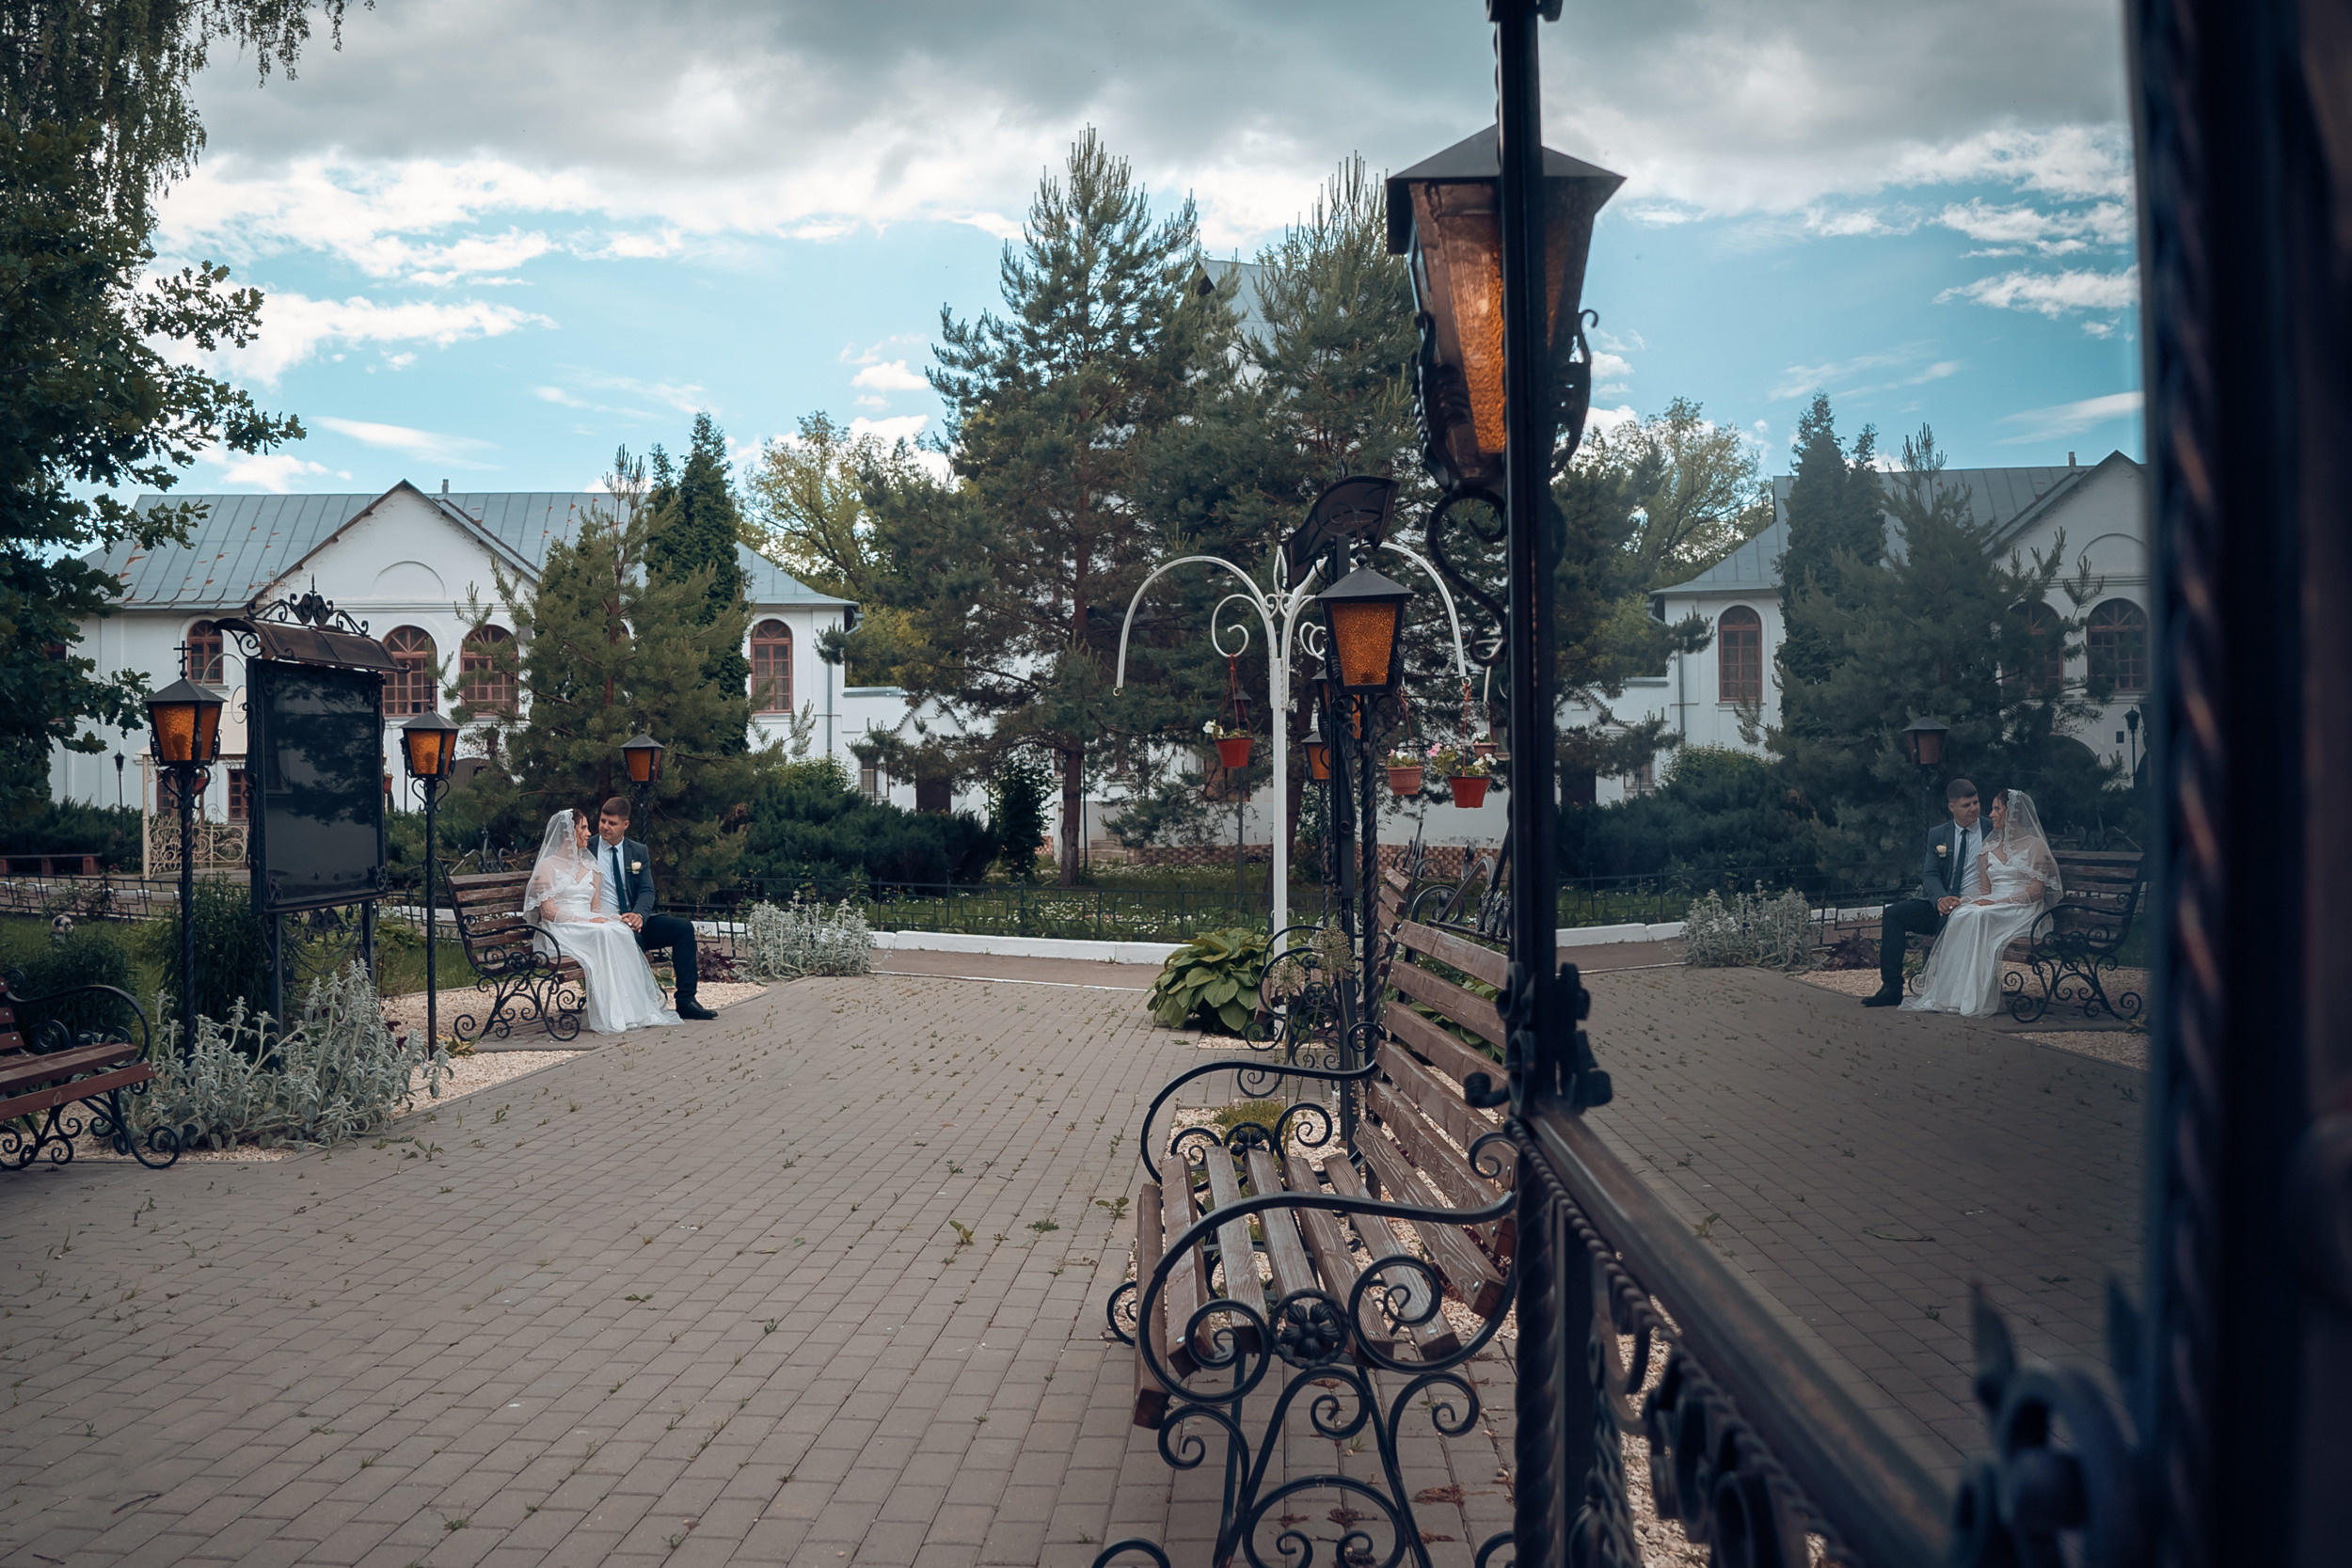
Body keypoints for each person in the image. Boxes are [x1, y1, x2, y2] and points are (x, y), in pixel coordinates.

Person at [1900, 788, 2062, 1018]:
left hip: (2023, 908)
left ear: (2013, 813)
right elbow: (1985, 890)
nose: (1991, 814)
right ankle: (1952, 996)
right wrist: (1966, 901)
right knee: (1963, 913)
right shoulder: (1988, 849)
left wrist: (1997, 902)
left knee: (1979, 915)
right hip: (1995, 903)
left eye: (1997, 808)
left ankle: (1975, 998)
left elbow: (2036, 892)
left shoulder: (2035, 846)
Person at [522, 808, 680, 1035]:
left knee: (619, 930)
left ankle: (630, 1011)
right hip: (560, 927)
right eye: (583, 828)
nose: (589, 833)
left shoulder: (591, 867)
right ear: (569, 833)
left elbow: (595, 908)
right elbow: (547, 912)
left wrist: (616, 918)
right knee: (604, 933)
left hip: (585, 922)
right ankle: (611, 1014)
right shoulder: (548, 866)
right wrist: (585, 920)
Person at [592, 796, 718, 1021]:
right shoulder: (588, 849)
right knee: (632, 940)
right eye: (602, 821)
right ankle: (647, 1000)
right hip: (607, 924)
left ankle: (686, 1000)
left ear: (625, 825)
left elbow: (647, 890)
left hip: (636, 919)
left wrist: (639, 915)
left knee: (683, 929)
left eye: (611, 823)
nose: (604, 827)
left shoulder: (638, 851)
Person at [1863, 778, 1984, 1006]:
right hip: (1942, 902)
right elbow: (1929, 874)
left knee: (1947, 923)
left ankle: (1942, 988)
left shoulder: (1990, 830)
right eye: (1967, 805)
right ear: (1952, 807)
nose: (1974, 809)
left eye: (1976, 803)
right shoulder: (1939, 834)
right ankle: (1891, 987)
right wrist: (1939, 898)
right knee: (1893, 915)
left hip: (1972, 906)